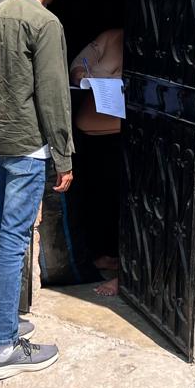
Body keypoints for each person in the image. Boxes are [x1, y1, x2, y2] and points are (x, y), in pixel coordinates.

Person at [0, 0, 76, 379]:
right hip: (27, 147)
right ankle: (4, 348)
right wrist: (63, 155)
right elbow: (53, 95)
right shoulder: (45, 23)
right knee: (13, 241)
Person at [70, 28, 123, 296]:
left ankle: (122, 266)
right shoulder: (110, 38)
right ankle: (102, 254)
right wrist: (83, 76)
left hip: (121, 136)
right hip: (89, 136)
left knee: (119, 200)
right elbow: (78, 65)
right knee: (93, 197)